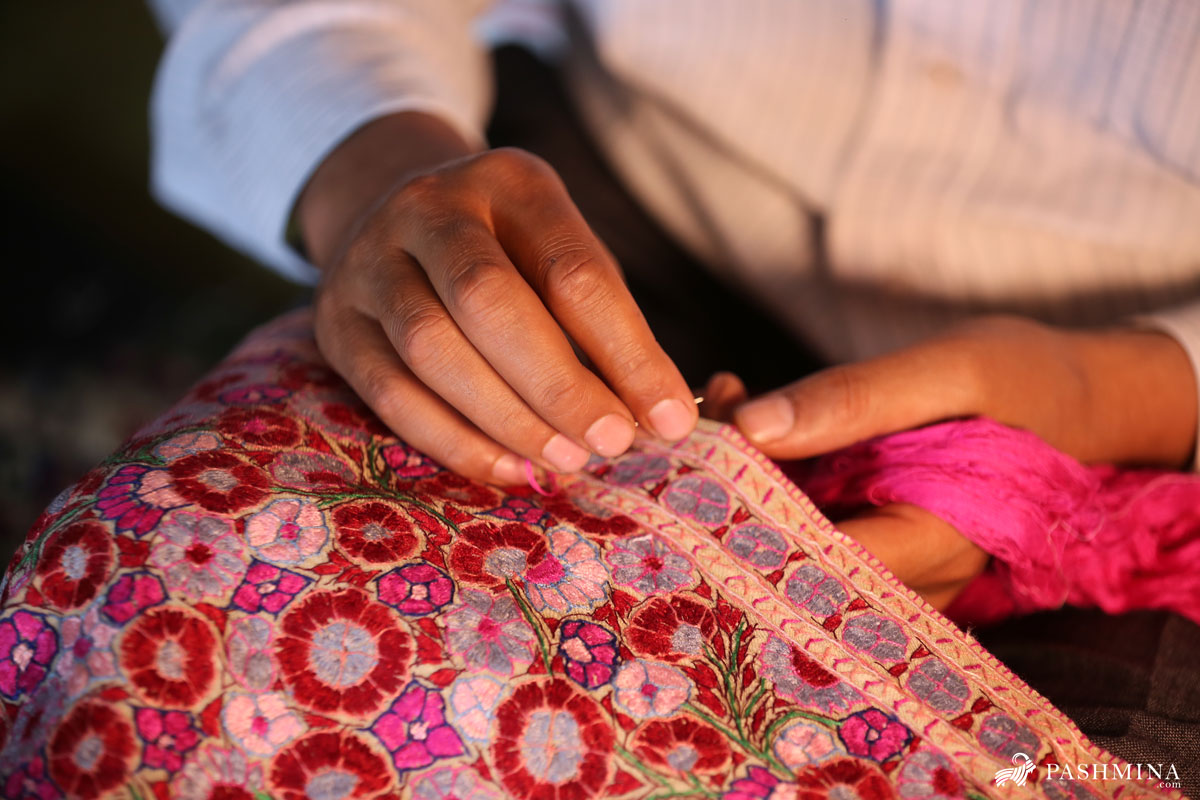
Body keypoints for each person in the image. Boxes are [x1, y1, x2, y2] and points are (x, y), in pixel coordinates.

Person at [148, 0, 1200, 607]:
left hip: (1134, 407)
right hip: (569, 211)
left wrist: (1118, 390)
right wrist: (376, 168)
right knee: (207, 583)